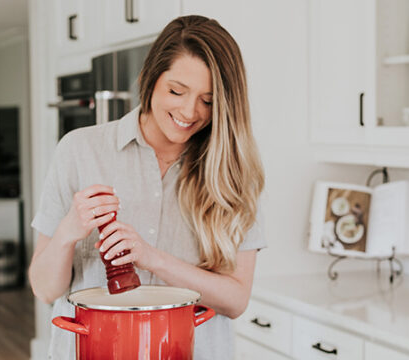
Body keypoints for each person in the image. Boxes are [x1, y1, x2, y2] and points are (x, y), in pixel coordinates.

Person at [28, 15, 266, 360]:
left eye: (208, 101)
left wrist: (151, 258)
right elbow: (44, 287)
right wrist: (67, 231)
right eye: (176, 91)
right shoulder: (80, 150)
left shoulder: (233, 173)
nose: (189, 111)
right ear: (151, 79)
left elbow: (236, 300)